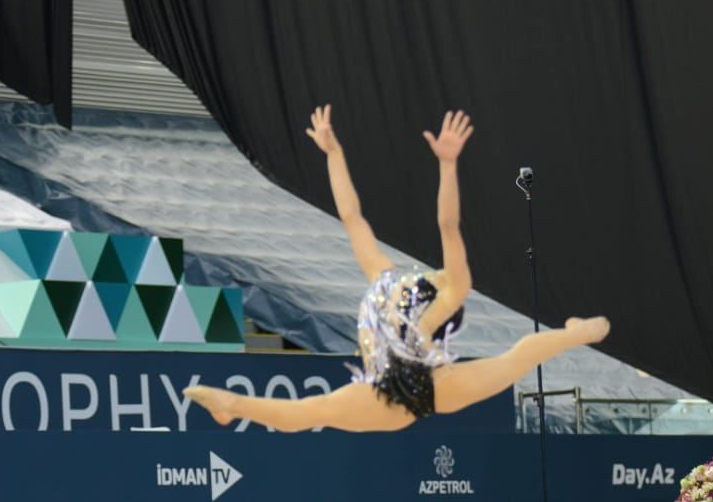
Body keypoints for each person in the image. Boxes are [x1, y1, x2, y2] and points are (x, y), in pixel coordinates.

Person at [185, 106, 610, 432]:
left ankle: (577, 332)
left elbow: (448, 224)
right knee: (305, 413)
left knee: (516, 357)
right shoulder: (384, 276)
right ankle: (231, 405)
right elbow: (352, 216)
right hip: (381, 391)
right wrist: (333, 153)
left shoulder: (446, 296)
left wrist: (447, 165)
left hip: (430, 386)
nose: (438, 271)